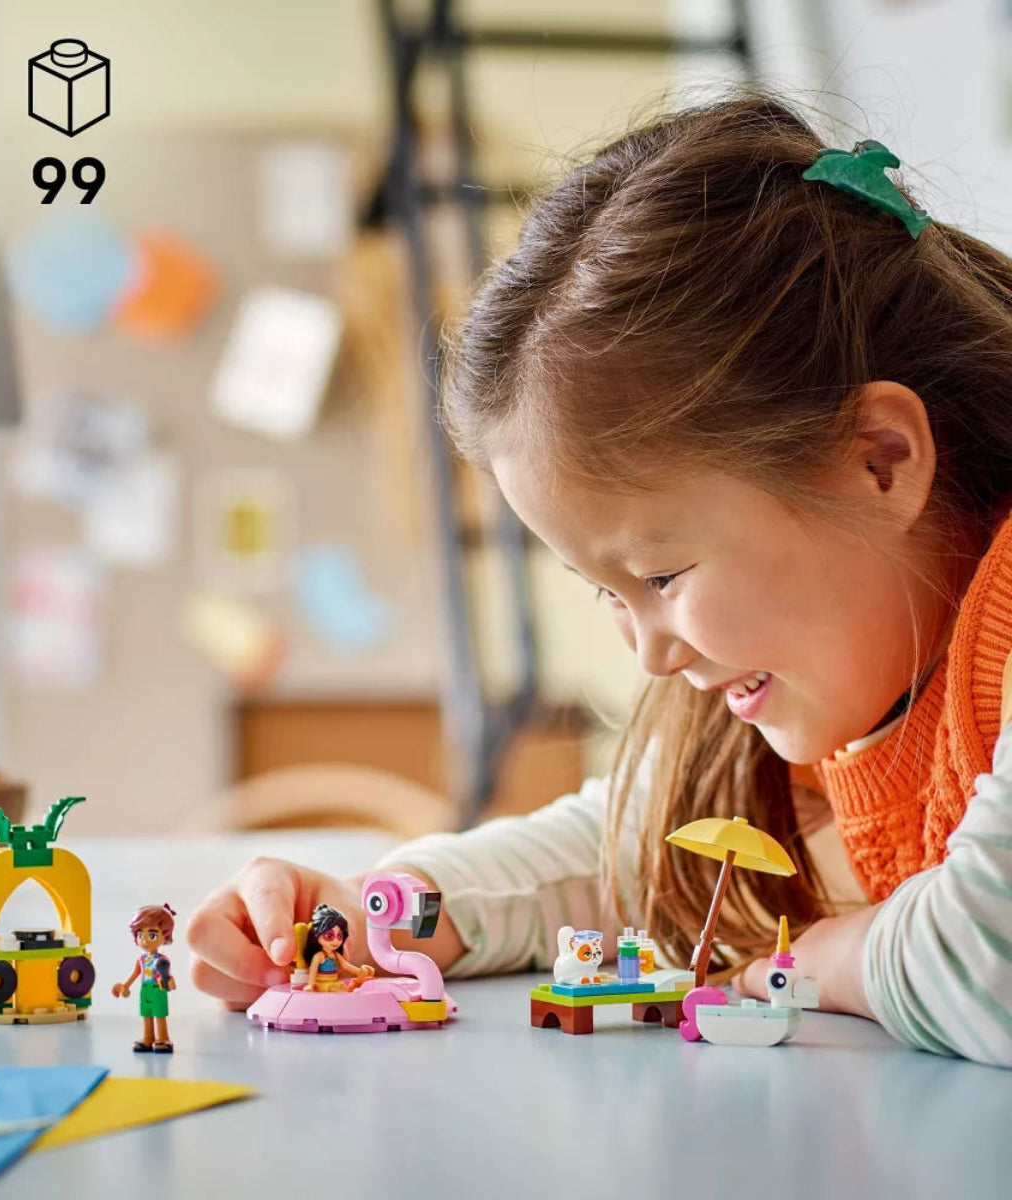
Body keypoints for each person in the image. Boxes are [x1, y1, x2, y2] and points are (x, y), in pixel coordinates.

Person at [187, 90, 1012, 1067]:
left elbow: (987, 967)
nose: (653, 653)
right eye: (608, 594)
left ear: (880, 459)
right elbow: (629, 849)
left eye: (662, 572)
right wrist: (388, 911)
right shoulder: (839, 662)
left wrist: (837, 960)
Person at [113, 903, 179, 1052]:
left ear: (165, 936)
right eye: (140, 935)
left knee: (159, 1015)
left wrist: (170, 982)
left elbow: (167, 974)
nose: (145, 940)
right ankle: (148, 1038)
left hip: (157, 989)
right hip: (145, 990)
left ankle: (163, 1039)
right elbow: (135, 974)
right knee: (147, 1015)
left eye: (152, 935)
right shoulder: (141, 960)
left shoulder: (162, 959)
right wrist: (125, 986)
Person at [300, 903, 376, 992]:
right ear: (316, 935)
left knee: (348, 990)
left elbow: (345, 965)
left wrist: (359, 971)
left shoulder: (336, 955)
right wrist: (310, 985)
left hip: (334, 982)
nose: (336, 941)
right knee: (342, 993)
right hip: (322, 985)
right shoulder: (319, 956)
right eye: (329, 936)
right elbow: (312, 971)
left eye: (339, 936)